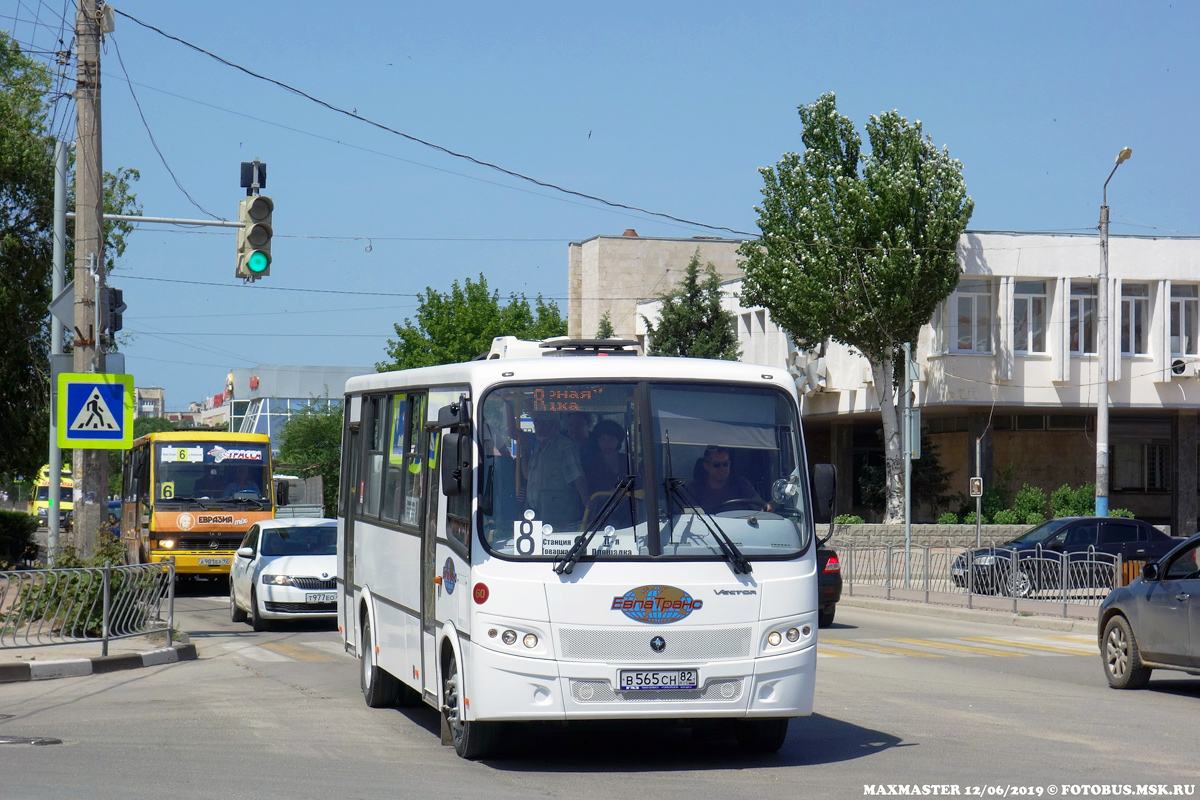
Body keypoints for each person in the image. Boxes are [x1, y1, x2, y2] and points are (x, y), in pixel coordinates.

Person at [521, 411, 588, 529]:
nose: (540, 428)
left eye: (545, 423)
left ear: (557, 425)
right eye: (537, 424)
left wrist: (587, 503)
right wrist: (525, 447)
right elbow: (527, 475)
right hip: (537, 513)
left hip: (560, 516)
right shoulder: (538, 446)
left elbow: (577, 475)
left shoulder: (565, 446)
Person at [683, 445, 764, 514]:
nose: (722, 469)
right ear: (706, 466)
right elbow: (687, 517)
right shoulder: (694, 490)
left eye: (725, 464)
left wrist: (765, 507)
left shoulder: (741, 484)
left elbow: (759, 505)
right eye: (717, 465)